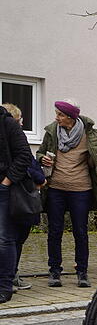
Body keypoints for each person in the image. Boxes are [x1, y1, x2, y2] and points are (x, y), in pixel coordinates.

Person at [36, 99, 97, 288]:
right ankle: (54, 271)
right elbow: (40, 153)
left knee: (81, 231)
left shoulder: (90, 135)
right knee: (54, 231)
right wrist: (42, 159)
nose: (56, 117)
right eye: (56, 113)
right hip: (56, 189)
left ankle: (82, 272)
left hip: (81, 190)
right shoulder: (52, 132)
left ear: (70, 116)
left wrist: (95, 163)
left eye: (60, 114)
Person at [2, 103, 45, 294]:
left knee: (7, 238)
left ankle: (6, 283)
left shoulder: (8, 125)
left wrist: (6, 182)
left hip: (10, 192)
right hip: (11, 191)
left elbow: (26, 158)